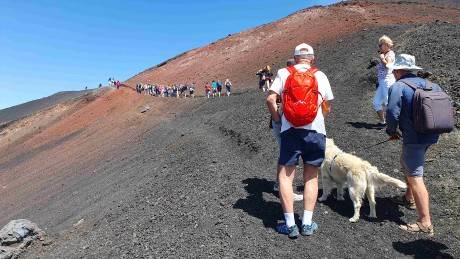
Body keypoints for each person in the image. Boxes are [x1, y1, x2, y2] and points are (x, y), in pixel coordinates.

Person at [266, 43, 333, 238]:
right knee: (311, 176)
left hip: (291, 131)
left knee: (286, 177)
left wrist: (279, 122)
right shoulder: (320, 75)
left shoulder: (284, 73)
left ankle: (289, 225)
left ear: (295, 58)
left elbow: (270, 100)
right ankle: (307, 223)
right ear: (311, 59)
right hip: (315, 131)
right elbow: (327, 105)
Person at [386, 54, 439, 236]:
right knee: (405, 162)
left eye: (394, 71)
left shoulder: (398, 86)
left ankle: (425, 222)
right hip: (431, 134)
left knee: (415, 176)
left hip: (414, 137)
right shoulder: (432, 85)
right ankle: (408, 198)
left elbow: (392, 111)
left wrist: (391, 131)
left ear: (399, 71)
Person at [372, 35, 396, 127]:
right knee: (376, 102)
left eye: (380, 45)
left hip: (388, 80)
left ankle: (394, 123)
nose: (379, 47)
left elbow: (388, 65)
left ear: (386, 45)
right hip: (383, 82)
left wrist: (382, 58)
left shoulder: (390, 54)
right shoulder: (385, 54)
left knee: (387, 102)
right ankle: (383, 122)